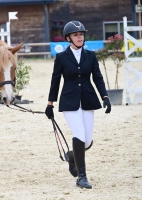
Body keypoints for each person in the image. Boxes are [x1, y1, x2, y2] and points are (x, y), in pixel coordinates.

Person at [45, 21, 111, 189]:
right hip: (69, 101)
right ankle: (82, 177)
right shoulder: (61, 58)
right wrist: (50, 104)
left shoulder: (91, 55)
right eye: (76, 35)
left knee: (87, 141)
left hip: (88, 99)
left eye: (81, 34)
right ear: (68, 38)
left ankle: (72, 155)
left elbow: (97, 77)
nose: (80, 37)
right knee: (79, 135)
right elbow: (55, 81)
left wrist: (105, 96)